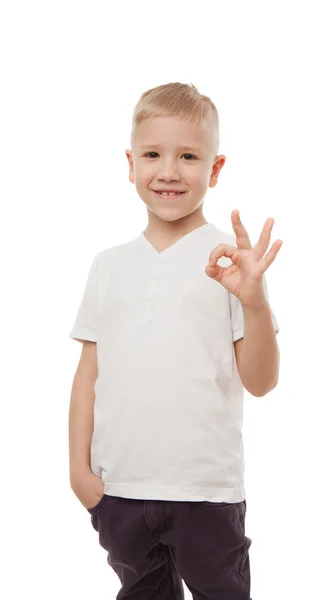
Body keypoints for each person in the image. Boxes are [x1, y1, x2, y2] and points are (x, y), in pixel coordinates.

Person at [68, 82, 282, 600]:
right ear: (130, 162)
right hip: (120, 491)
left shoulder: (233, 262)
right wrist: (79, 472)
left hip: (205, 493)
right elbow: (88, 376)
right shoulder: (108, 265)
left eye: (188, 155)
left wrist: (253, 302)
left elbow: (261, 382)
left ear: (215, 168)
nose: (168, 170)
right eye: (152, 154)